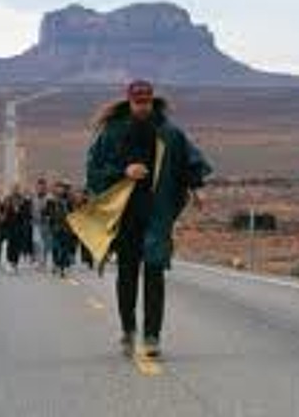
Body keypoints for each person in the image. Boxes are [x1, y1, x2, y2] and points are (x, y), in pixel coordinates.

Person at [86, 80, 212, 357]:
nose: (142, 107)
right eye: (138, 102)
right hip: (125, 212)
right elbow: (94, 171)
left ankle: (152, 336)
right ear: (129, 101)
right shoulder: (112, 132)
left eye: (146, 102)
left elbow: (189, 161)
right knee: (127, 273)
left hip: (157, 212)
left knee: (154, 270)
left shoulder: (169, 132)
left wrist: (197, 188)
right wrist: (124, 171)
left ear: (152, 100)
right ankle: (128, 330)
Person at [2, 185, 33, 272]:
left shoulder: (23, 200)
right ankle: (9, 261)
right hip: (10, 225)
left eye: (17, 189)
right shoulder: (8, 199)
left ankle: (15, 262)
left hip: (20, 225)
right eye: (14, 189)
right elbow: (3, 211)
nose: (15, 190)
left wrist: (21, 211)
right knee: (10, 244)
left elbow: (27, 212)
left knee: (17, 245)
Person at [49, 181, 74, 278]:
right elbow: (48, 213)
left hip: (66, 228)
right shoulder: (52, 200)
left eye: (62, 188)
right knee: (55, 247)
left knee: (65, 249)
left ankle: (62, 267)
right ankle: (56, 263)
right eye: (58, 188)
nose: (60, 190)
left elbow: (72, 213)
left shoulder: (69, 200)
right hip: (56, 227)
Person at [31, 177, 54, 271]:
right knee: (36, 242)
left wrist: (48, 217)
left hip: (45, 224)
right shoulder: (34, 198)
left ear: (45, 187)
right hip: (35, 223)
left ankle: (43, 262)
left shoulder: (49, 198)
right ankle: (38, 261)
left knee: (44, 244)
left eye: (43, 186)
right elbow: (31, 209)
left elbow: (51, 211)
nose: (41, 188)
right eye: (39, 186)